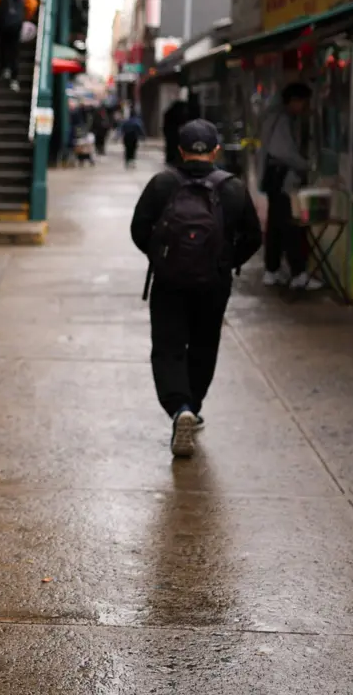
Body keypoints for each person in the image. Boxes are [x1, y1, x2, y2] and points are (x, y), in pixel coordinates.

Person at [129, 119, 263, 458]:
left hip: (169, 282)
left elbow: (138, 228)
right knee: (204, 344)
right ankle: (193, 404)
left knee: (168, 345)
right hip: (214, 282)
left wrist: (161, 256)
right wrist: (226, 261)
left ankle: (180, 408)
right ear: (215, 150)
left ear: (180, 149)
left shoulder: (162, 184)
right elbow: (253, 237)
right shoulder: (232, 188)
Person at [258, 82, 322, 291]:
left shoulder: (273, 116)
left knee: (276, 226)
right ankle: (298, 274)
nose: (304, 107)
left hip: (274, 181)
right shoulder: (282, 119)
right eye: (303, 102)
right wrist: (306, 166)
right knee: (291, 226)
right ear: (294, 100)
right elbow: (284, 152)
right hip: (283, 182)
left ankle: (272, 270)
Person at [161, 99, 189, 167]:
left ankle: (171, 159)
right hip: (173, 133)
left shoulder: (169, 113)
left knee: (170, 147)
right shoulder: (176, 113)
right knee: (173, 147)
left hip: (170, 133)